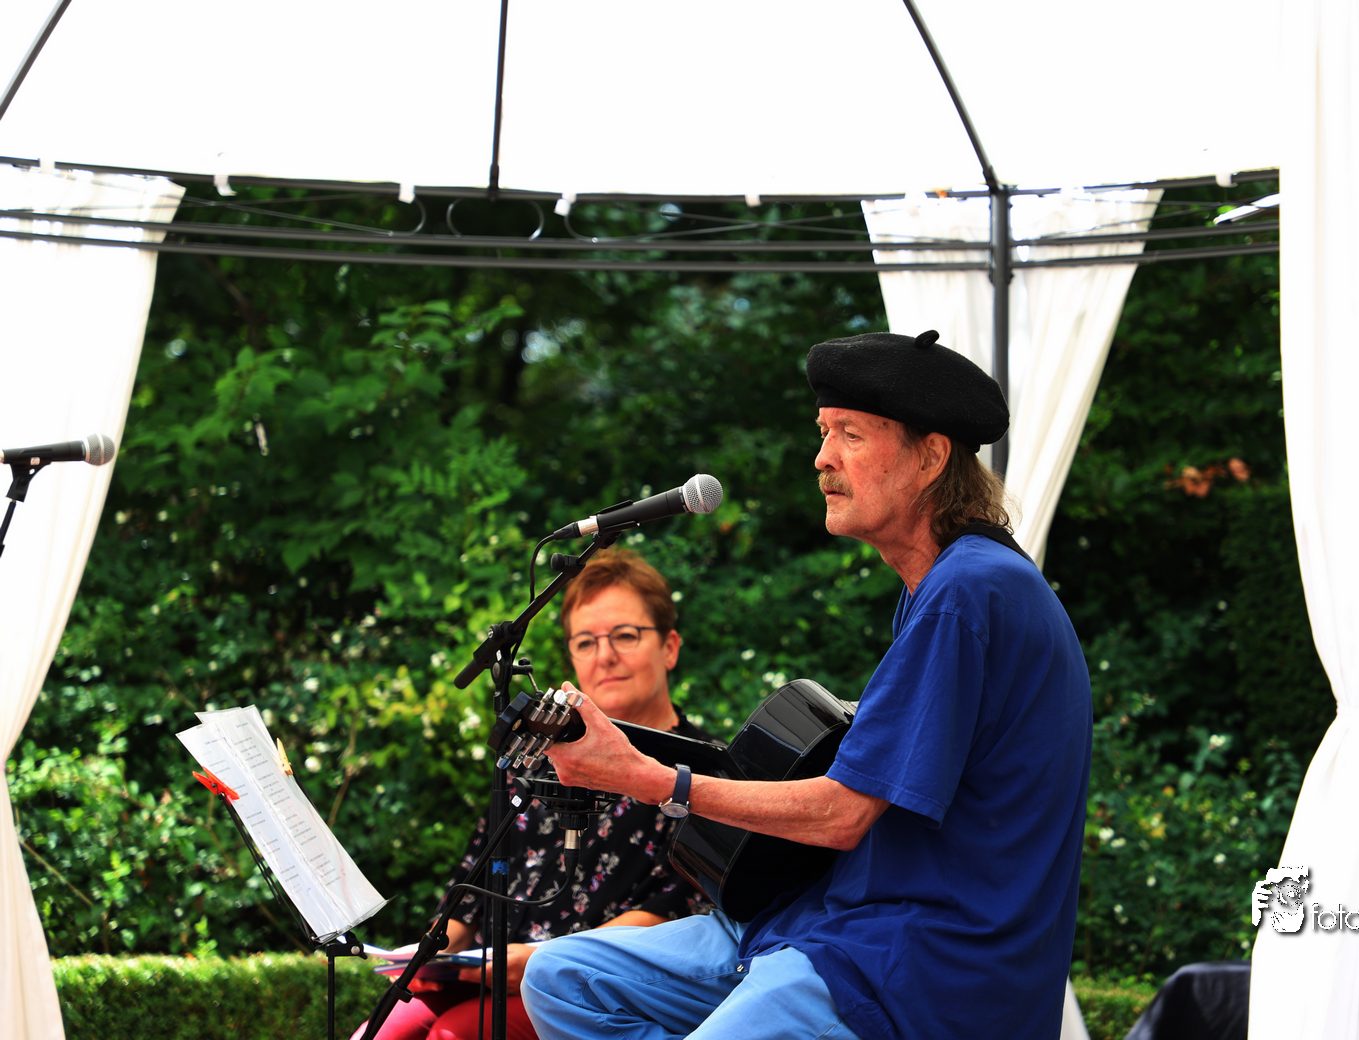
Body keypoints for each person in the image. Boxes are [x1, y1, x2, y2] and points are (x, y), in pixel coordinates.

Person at [520, 329, 1093, 1040]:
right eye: (824, 433)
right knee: (561, 979)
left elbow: (843, 813)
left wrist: (649, 778)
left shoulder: (969, 593)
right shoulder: (941, 586)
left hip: (915, 967)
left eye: (850, 434)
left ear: (930, 456)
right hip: (827, 921)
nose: (822, 458)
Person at [353, 548, 713, 1040]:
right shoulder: (536, 758)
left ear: (669, 647)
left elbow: (678, 911)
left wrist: (543, 959)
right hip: (486, 972)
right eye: (585, 642)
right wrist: (431, 955)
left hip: (589, 988)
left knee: (458, 1033)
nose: (604, 656)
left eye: (625, 636)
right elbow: (472, 887)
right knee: (381, 1030)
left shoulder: (702, 774)